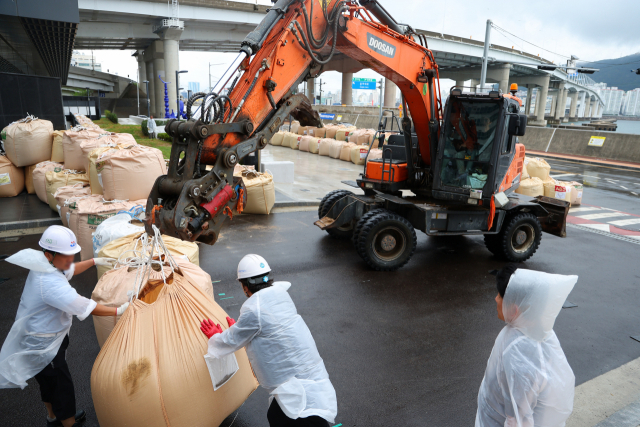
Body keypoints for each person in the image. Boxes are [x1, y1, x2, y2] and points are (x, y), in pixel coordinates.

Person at [0, 226, 129, 427]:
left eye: (72, 254)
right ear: (50, 254)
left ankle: (53, 417)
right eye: (67, 256)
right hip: (43, 344)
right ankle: (68, 423)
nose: (71, 259)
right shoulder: (49, 282)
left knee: (48, 383)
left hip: (38, 338)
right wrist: (119, 310)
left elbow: (71, 269)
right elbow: (84, 305)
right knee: (61, 387)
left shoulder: (46, 263)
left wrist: (95, 261)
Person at [200, 254, 337, 427]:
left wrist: (215, 336)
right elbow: (266, 330)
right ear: (268, 279)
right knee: (298, 415)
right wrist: (241, 329)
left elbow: (230, 340)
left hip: (296, 388)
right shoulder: (280, 295)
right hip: (312, 377)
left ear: (244, 287)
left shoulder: (254, 307)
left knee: (286, 417)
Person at [475, 264, 578, 427]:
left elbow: (518, 420)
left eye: (500, 295)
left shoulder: (519, 357)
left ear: (514, 309)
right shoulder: (534, 328)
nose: (496, 298)